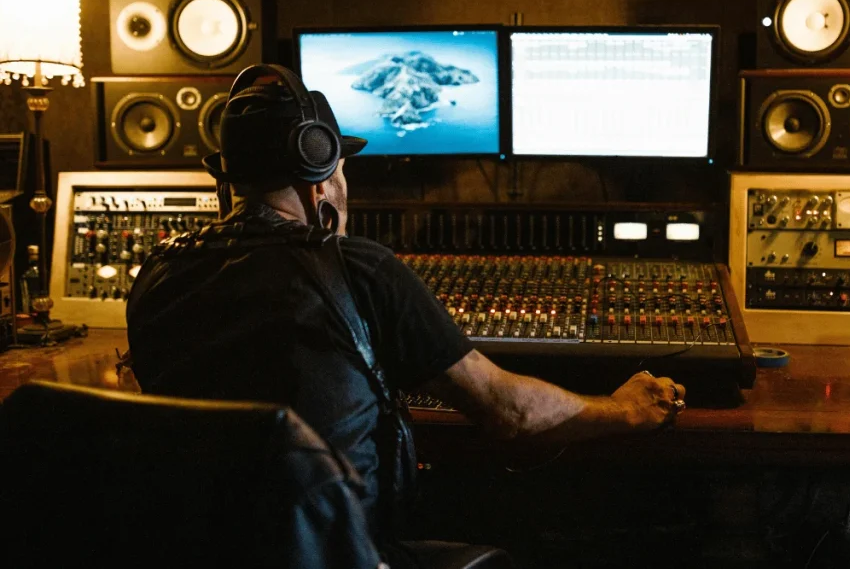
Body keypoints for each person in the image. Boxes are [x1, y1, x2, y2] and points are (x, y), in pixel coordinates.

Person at [125, 64, 686, 565]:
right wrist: (623, 408)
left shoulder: (156, 275)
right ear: (322, 170)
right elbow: (509, 414)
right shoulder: (359, 270)